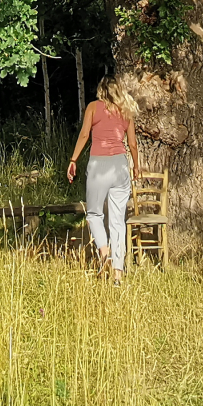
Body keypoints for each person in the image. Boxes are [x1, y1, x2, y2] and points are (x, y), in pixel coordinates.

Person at [67, 76, 139, 283]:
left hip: (98, 164)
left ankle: (104, 251)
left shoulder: (92, 107)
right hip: (120, 165)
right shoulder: (126, 111)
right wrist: (136, 166)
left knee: (94, 213)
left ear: (101, 90)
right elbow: (132, 144)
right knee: (118, 221)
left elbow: (84, 135)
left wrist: (73, 159)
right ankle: (118, 272)